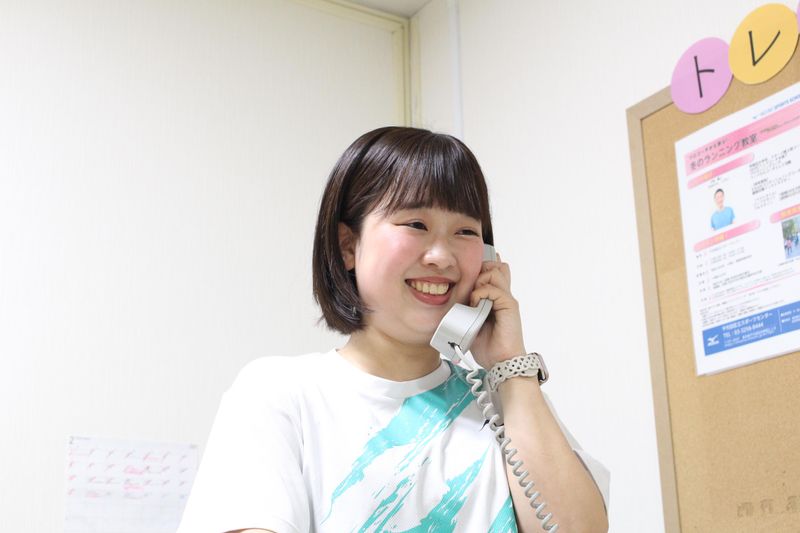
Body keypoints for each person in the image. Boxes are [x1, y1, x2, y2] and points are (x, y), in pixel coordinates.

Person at [177, 127, 610, 533]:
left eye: (465, 231)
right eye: (416, 225)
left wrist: (510, 365)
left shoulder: (508, 402)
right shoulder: (279, 392)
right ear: (348, 246)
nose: (442, 257)